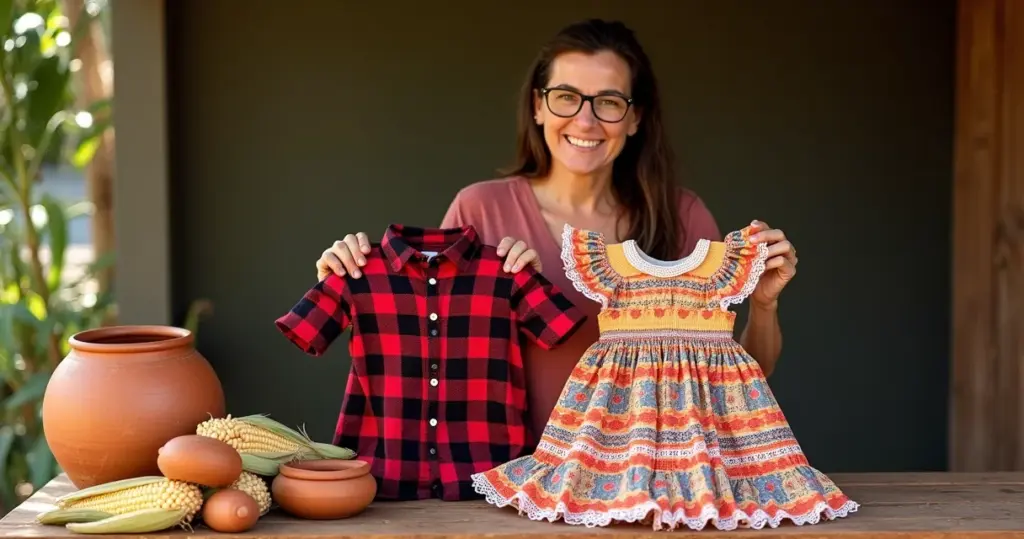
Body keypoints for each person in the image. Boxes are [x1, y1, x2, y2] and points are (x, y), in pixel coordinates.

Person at [313, 19, 798, 445]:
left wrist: (764, 304)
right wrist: (358, 281)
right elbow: (430, 358)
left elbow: (742, 379)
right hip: (510, 483)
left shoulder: (683, 216)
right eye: (566, 97)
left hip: (652, 490)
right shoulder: (479, 209)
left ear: (634, 119)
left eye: (608, 102)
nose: (584, 120)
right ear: (539, 106)